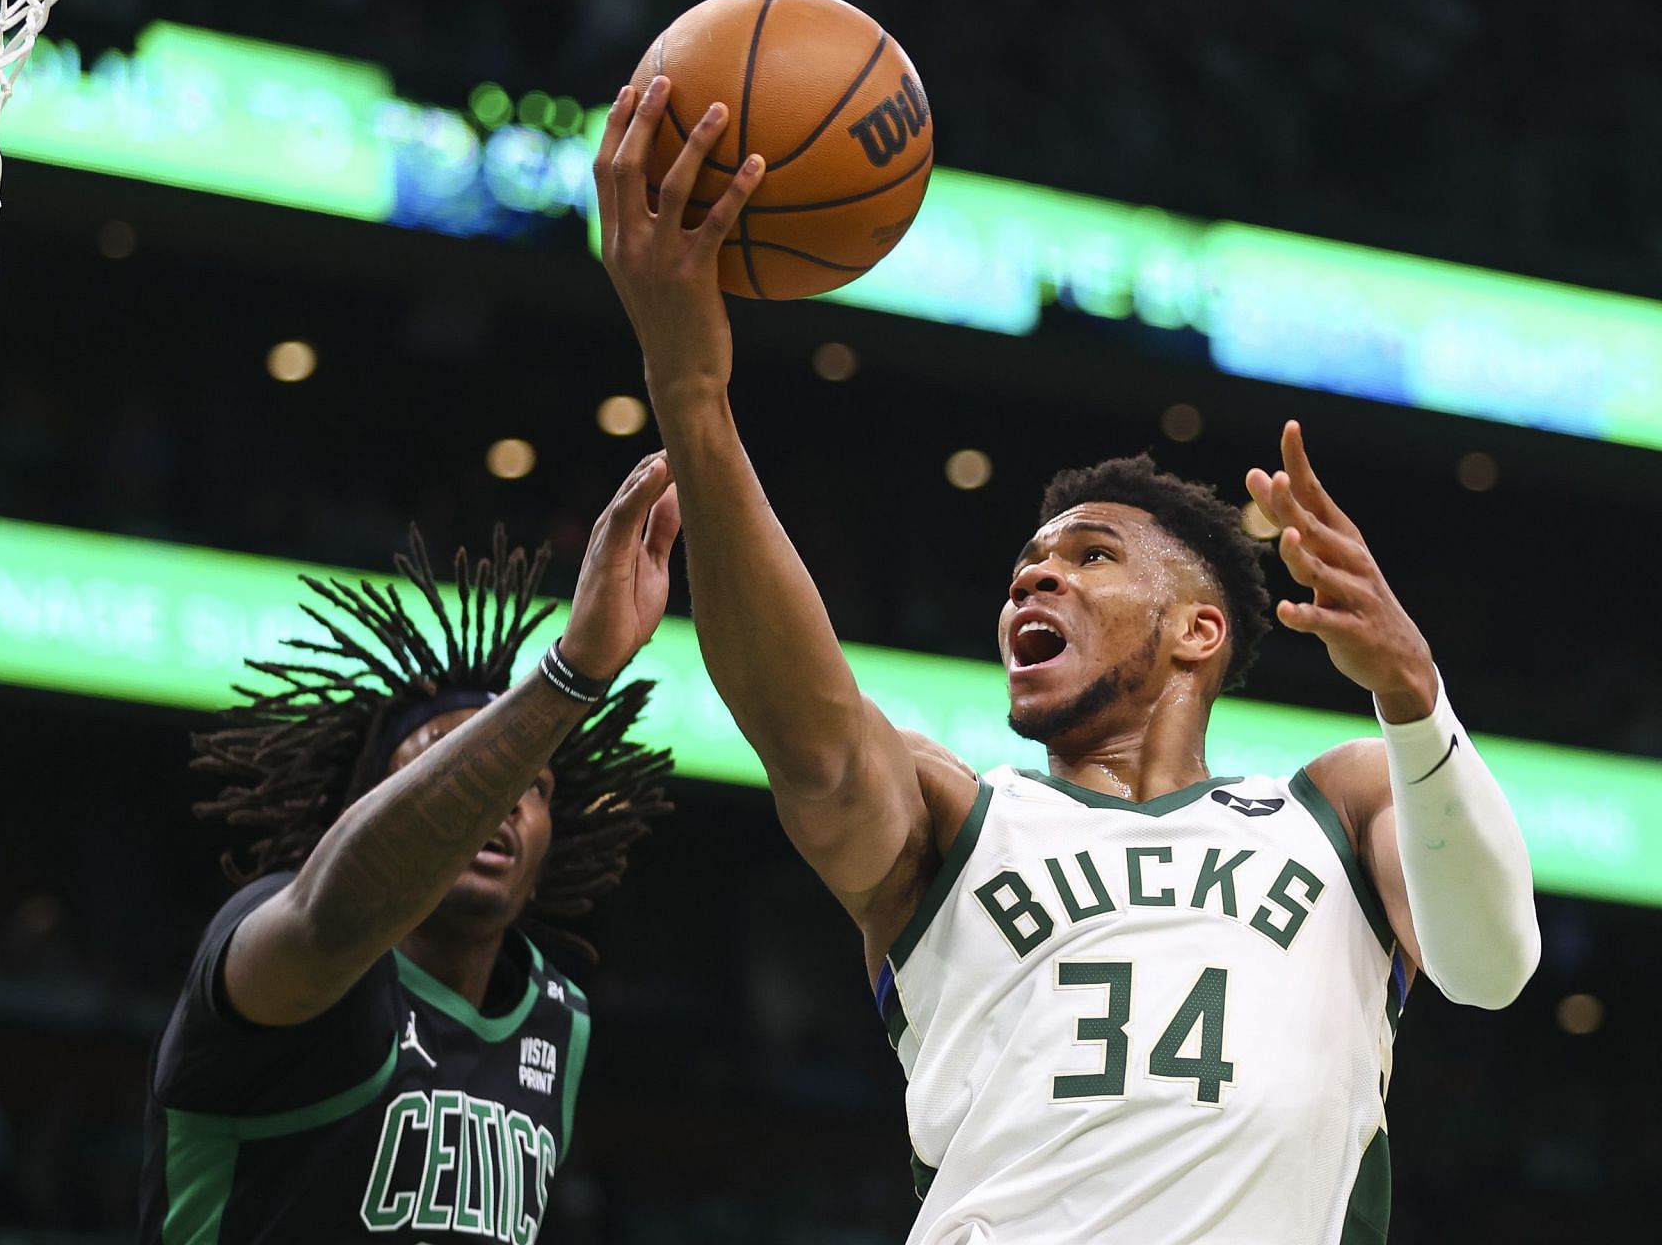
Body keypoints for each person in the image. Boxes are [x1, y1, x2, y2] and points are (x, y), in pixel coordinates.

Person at [591, 76, 1540, 1244]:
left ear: (1200, 629)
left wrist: (1414, 696)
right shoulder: (957, 816)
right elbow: (814, 732)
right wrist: (693, 392)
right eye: (1027, 567)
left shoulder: (1336, 803)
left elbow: (1493, 965)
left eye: (1091, 556)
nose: (1032, 579)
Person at [137, 455, 681, 1243]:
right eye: (446, 764)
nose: (502, 797)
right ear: (373, 809)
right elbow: (332, 919)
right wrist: (570, 675)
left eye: (530, 784)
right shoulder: (275, 941)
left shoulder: (562, 1021)